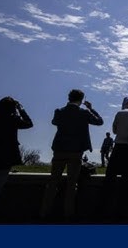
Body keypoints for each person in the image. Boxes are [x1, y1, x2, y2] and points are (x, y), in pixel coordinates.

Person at [39, 89, 103, 220]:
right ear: (81, 99)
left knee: (53, 182)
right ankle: (68, 214)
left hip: (59, 149)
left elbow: (54, 122)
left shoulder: (59, 111)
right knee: (72, 184)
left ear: (69, 98)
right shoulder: (84, 113)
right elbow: (99, 121)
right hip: (76, 151)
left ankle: (44, 212)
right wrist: (91, 109)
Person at [98, 97, 128, 220]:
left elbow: (115, 130)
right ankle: (123, 210)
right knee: (127, 179)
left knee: (110, 176)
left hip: (119, 146)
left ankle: (104, 207)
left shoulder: (120, 113)